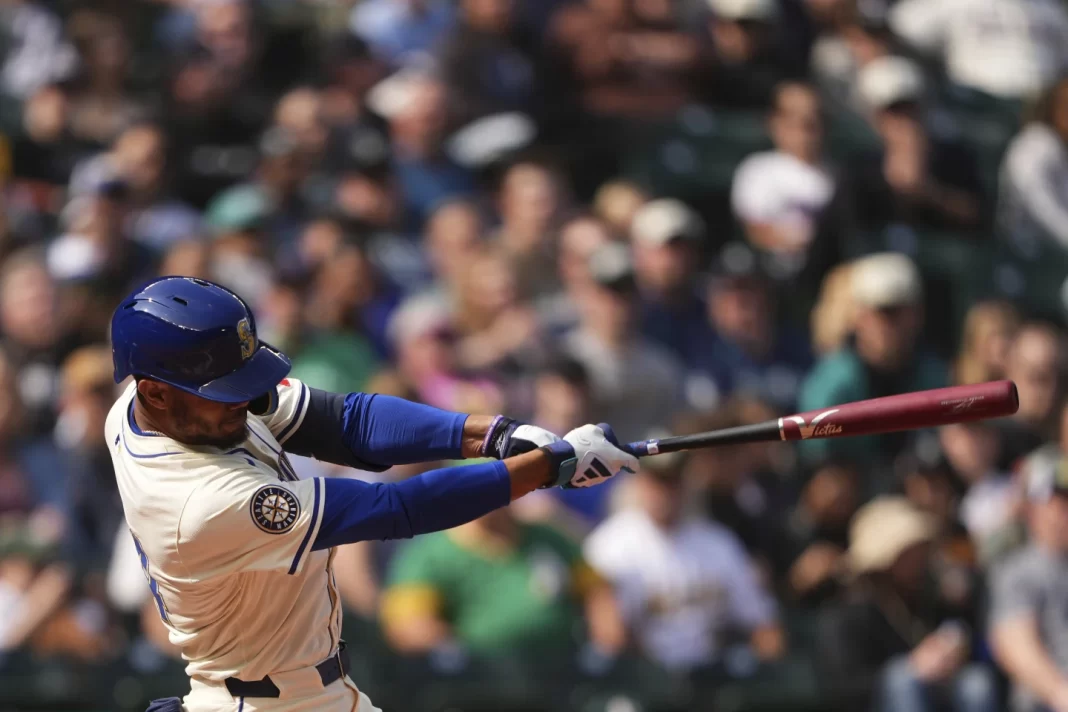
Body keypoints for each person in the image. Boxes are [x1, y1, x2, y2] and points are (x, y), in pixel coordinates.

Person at [106, 276, 638, 712]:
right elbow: (395, 508)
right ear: (154, 392)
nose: (243, 400)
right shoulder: (197, 502)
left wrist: (493, 433)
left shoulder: (158, 407)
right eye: (224, 390)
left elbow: (347, 421)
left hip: (315, 693)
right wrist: (545, 467)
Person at [583, 444, 784, 674]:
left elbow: (764, 624)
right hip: (641, 675)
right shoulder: (608, 546)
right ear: (639, 482)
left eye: (673, 481)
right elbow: (608, 636)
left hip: (712, 674)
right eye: (658, 480)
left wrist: (767, 664)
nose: (665, 492)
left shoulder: (718, 542)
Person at [818, 497, 1000, 712]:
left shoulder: (932, 597)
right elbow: (843, 688)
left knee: (975, 682)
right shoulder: (845, 613)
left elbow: (964, 634)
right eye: (908, 551)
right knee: (902, 680)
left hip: (935, 695)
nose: (919, 557)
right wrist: (913, 666)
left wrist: (953, 648)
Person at [990, 455, 1068, 712]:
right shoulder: (1017, 571)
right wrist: (1059, 692)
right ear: (1031, 510)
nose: (1064, 511)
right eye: (1057, 501)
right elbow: (1014, 644)